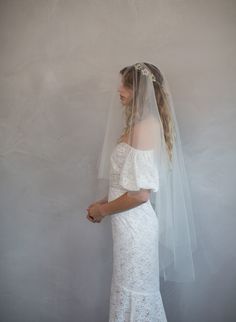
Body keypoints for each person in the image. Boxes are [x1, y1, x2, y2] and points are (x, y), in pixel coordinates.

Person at [86, 62, 198, 321]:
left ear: (139, 90)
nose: (119, 90)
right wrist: (102, 202)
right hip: (127, 227)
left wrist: (101, 210)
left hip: (135, 229)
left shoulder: (145, 128)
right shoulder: (138, 126)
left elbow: (141, 194)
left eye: (124, 85)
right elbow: (128, 185)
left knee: (135, 292)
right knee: (127, 289)